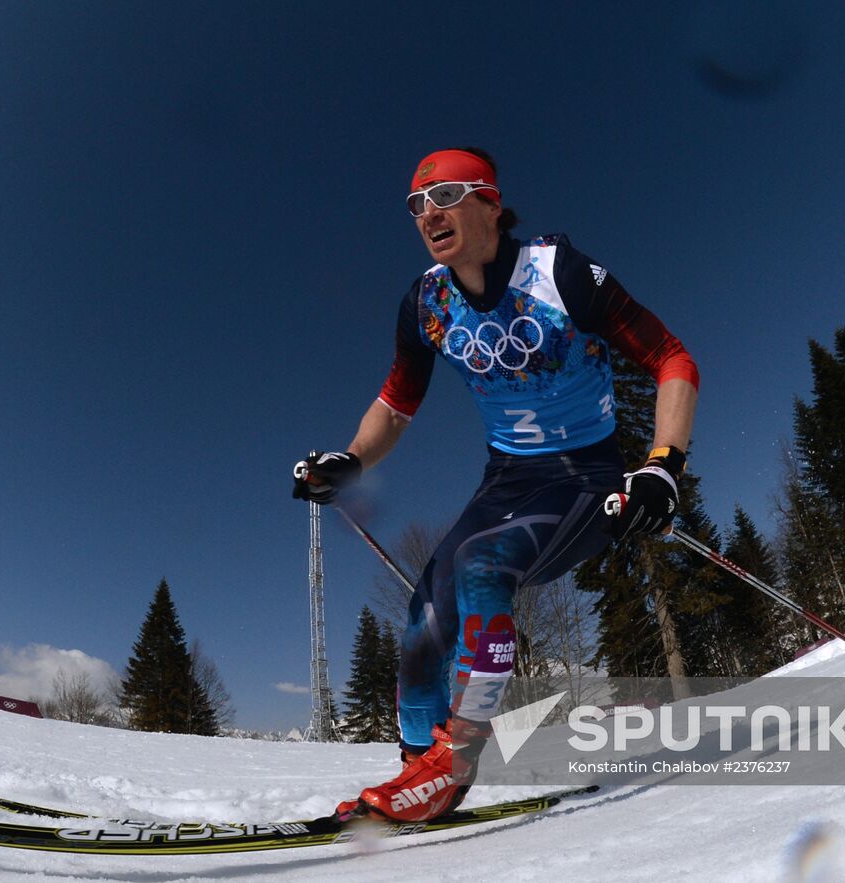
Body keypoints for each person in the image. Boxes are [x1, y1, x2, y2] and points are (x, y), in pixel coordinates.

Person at [291, 147, 699, 822]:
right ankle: (417, 769)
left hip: (584, 473)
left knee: (485, 566)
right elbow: (396, 404)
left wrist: (662, 464)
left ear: (489, 200)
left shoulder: (559, 272)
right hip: (507, 478)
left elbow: (670, 356)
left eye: (444, 195)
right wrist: (352, 459)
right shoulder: (427, 301)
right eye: (416, 205)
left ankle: (454, 763)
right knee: (427, 606)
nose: (428, 214)